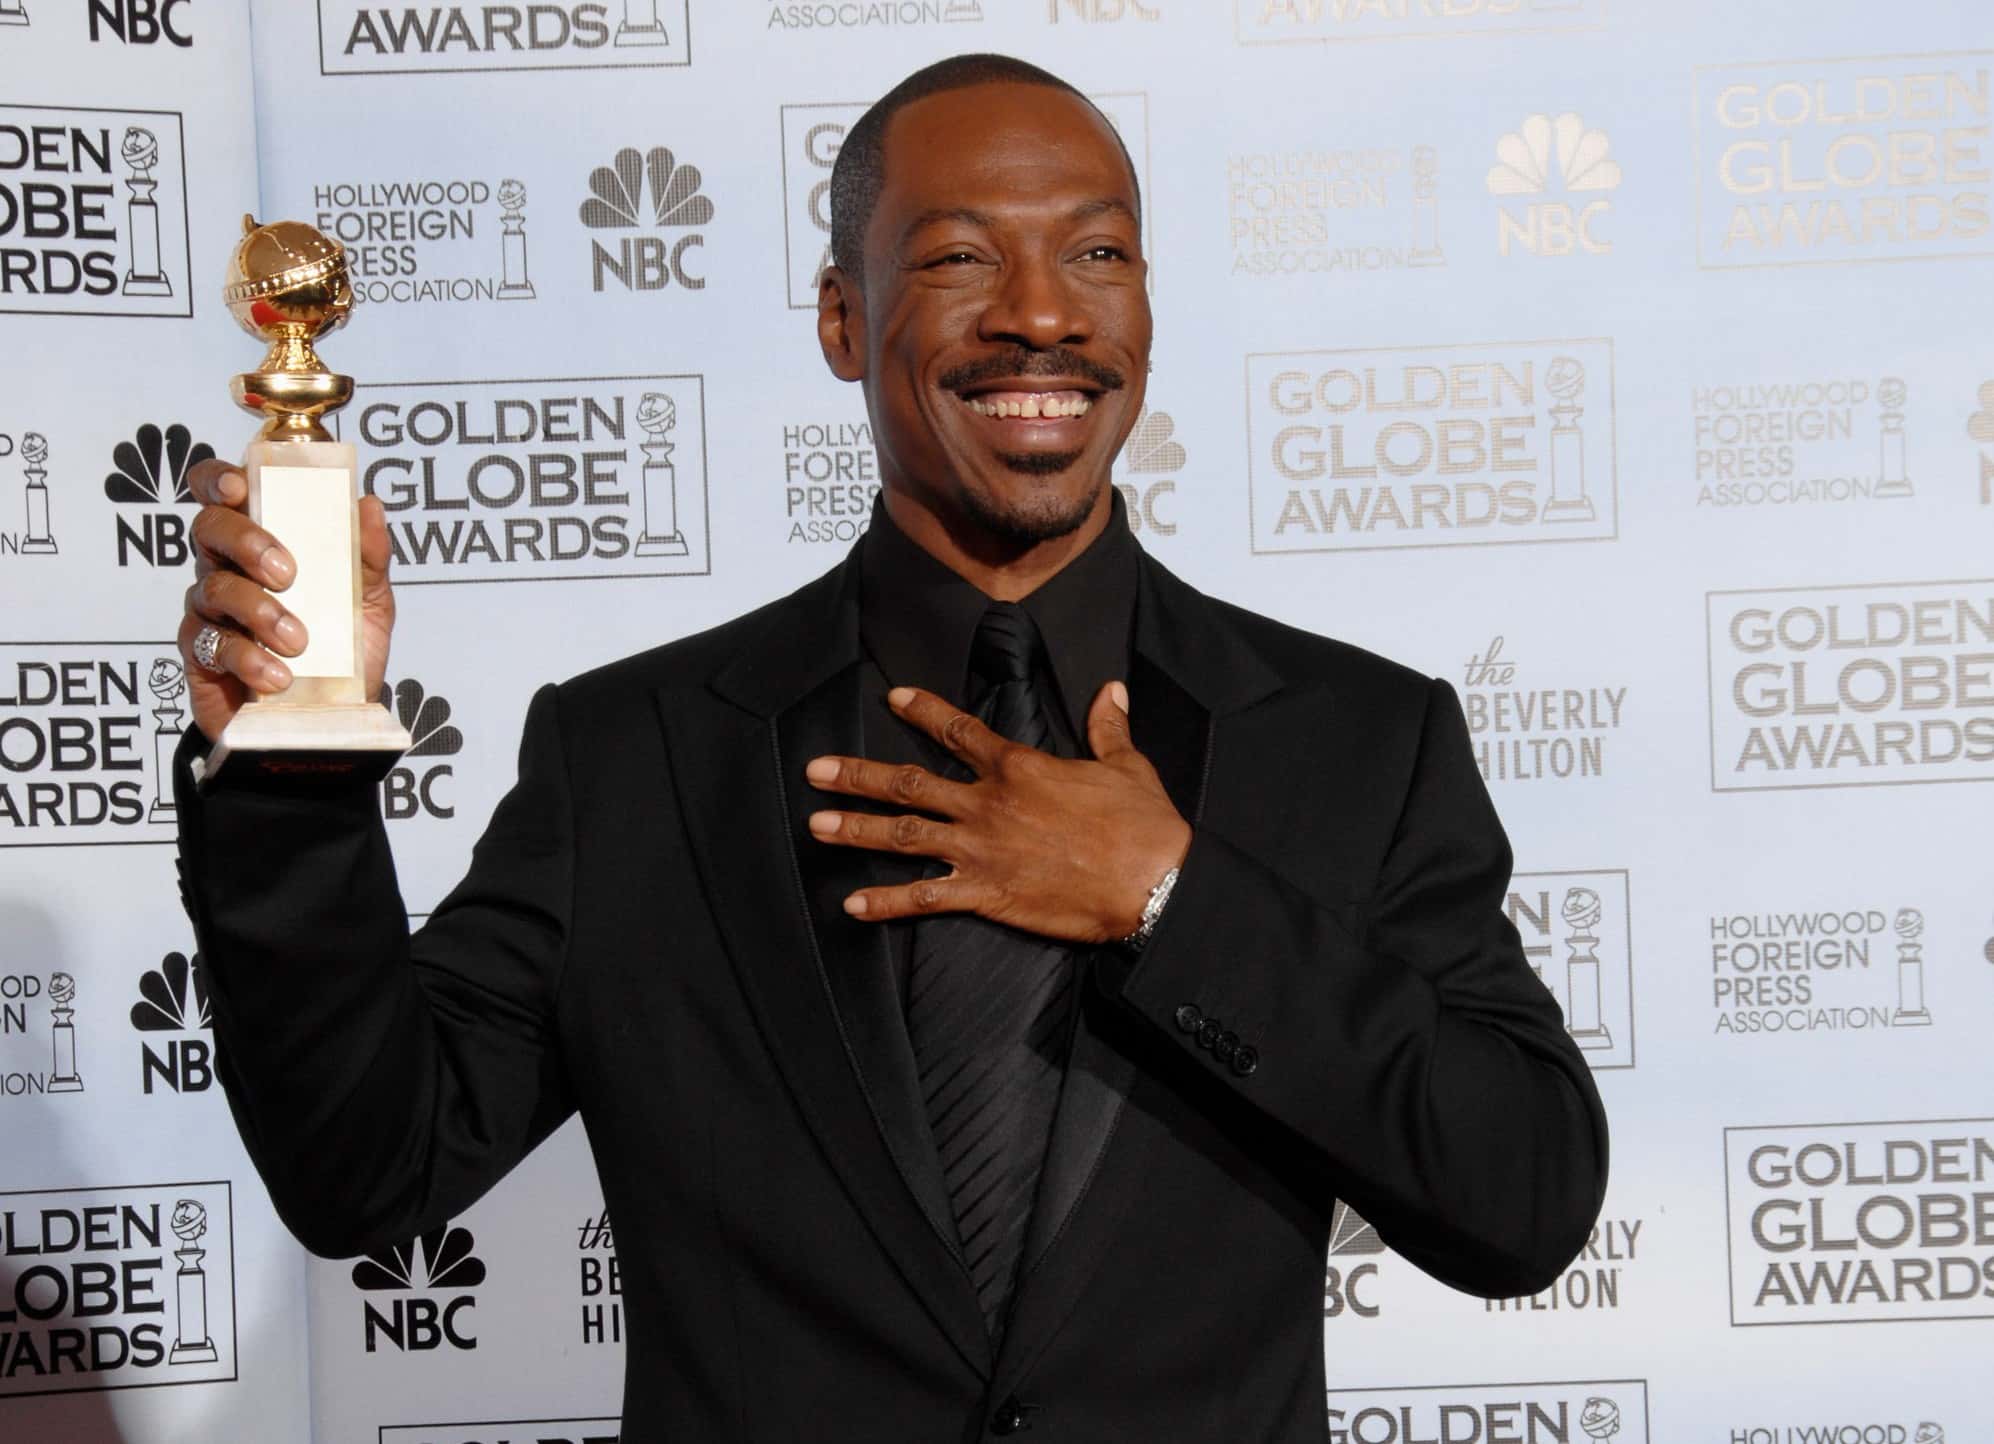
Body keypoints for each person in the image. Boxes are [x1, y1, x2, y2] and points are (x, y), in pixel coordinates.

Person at [174, 54, 1607, 1443]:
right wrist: (290, 781)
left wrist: (1172, 901)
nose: (1042, 314)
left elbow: (1523, 1200)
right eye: (960, 258)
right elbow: (367, 1172)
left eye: (1098, 254)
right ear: (842, 321)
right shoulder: (636, 756)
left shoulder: (1357, 740)